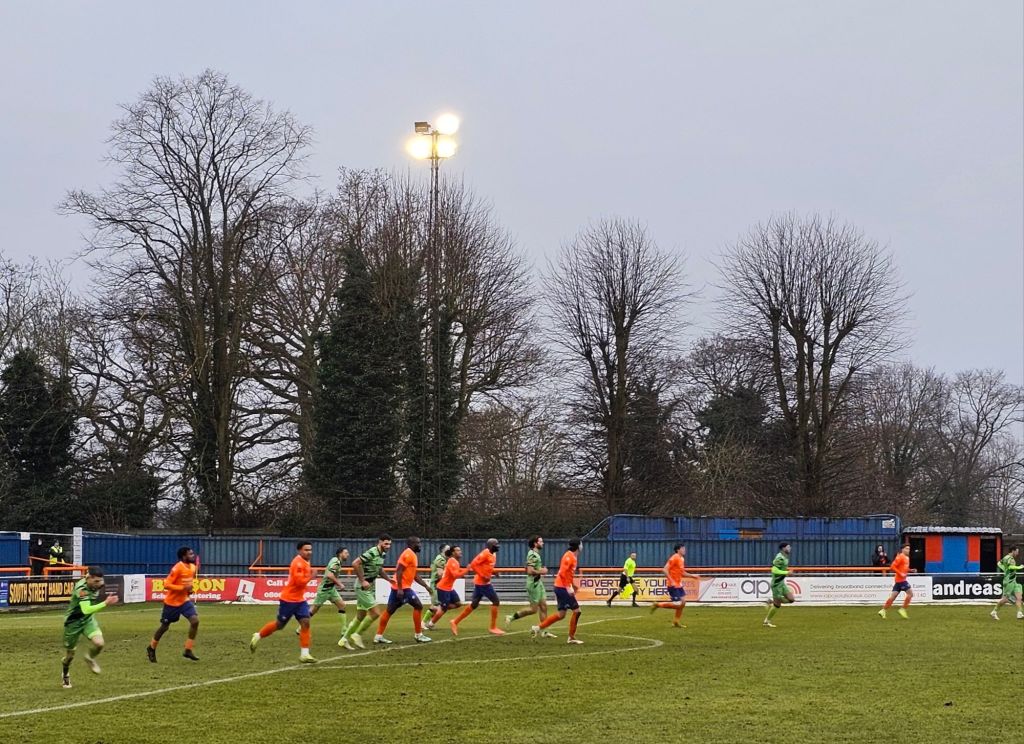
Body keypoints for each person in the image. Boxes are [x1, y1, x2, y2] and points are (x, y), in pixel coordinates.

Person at [249, 541, 316, 662]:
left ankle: (304, 654)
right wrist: (312, 576)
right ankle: (258, 635)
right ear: (299, 551)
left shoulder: (306, 561)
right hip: (288, 600)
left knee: (305, 623)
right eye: (306, 550)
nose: (309, 552)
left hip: (300, 600)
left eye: (310, 550)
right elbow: (299, 582)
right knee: (280, 625)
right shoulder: (297, 563)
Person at [61, 566, 119, 688]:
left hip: (87, 620)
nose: (99, 584)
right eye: (96, 581)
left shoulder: (96, 583)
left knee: (99, 644)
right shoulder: (81, 589)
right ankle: (65, 674)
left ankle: (89, 658)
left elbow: (87, 613)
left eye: (100, 580)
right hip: (73, 623)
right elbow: (86, 609)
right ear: (89, 578)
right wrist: (105, 603)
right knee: (69, 656)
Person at [374, 537, 432, 644]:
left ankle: (378, 636)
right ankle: (418, 635)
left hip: (399, 587)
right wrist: (400, 588)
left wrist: (426, 587)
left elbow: (415, 575)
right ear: (412, 544)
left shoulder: (413, 555)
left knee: (389, 610)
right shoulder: (408, 554)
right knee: (418, 606)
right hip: (403, 588)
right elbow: (399, 570)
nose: (420, 545)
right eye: (418, 543)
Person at [339, 534, 392, 649]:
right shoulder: (372, 552)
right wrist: (363, 581)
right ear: (380, 542)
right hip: (363, 587)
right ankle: (357, 634)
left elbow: (379, 569)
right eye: (386, 544)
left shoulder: (382, 554)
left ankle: (344, 640)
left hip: (369, 586)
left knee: (361, 615)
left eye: (389, 544)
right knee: (375, 613)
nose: (388, 546)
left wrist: (389, 580)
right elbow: (355, 563)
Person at [148, 546, 200, 662]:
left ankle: (188, 649)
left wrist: (189, 590)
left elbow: (187, 584)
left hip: (184, 601)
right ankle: (151, 648)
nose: (193, 556)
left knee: (195, 621)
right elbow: (166, 585)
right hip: (171, 603)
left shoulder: (193, 567)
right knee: (164, 627)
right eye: (190, 554)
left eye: (193, 553)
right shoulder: (177, 568)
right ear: (184, 556)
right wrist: (183, 588)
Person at [532, 538, 583, 644]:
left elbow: (567, 574)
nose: (582, 546)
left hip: (560, 586)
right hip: (562, 587)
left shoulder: (572, 556)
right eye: (581, 544)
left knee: (561, 614)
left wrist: (573, 585)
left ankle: (538, 627)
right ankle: (571, 638)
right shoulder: (569, 557)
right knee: (577, 611)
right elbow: (562, 573)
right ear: (577, 546)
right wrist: (568, 587)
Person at [450, 538, 505, 636]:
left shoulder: (493, 554)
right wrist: (483, 576)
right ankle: (493, 627)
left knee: (474, 604)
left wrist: (494, 572)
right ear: (490, 546)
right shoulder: (485, 553)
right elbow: (473, 565)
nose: (498, 547)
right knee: (496, 602)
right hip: (483, 584)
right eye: (496, 546)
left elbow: (487, 566)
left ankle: (455, 621)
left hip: (480, 583)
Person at [506, 535, 555, 635]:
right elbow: (529, 571)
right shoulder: (532, 554)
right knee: (533, 610)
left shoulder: (535, 554)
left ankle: (545, 631)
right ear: (535, 543)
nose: (542, 543)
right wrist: (542, 571)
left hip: (538, 583)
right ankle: (511, 617)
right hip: (533, 584)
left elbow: (528, 567)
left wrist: (540, 571)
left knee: (544, 607)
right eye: (540, 541)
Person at [302, 546, 350, 648]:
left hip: (331, 589)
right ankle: (301, 627)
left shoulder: (337, 561)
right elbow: (329, 574)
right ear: (340, 553)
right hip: (324, 590)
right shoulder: (335, 562)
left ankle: (344, 630)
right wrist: (339, 584)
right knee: (313, 610)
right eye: (346, 553)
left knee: (342, 605)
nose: (348, 555)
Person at [650, 544, 701, 627]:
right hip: (672, 585)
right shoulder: (674, 557)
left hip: (678, 584)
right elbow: (664, 570)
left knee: (683, 603)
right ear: (678, 550)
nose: (684, 550)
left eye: (684, 548)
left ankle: (676, 622)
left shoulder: (682, 559)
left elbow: (682, 572)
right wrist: (672, 580)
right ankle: (657, 605)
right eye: (683, 548)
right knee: (678, 604)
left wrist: (693, 576)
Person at [425, 545, 469, 629]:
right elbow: (455, 575)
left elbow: (456, 572)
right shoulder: (452, 561)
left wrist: (464, 571)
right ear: (453, 553)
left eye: (460, 550)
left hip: (449, 588)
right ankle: (431, 624)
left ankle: (438, 608)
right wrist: (467, 570)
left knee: (458, 604)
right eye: (458, 550)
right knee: (444, 609)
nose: (460, 552)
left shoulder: (455, 561)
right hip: (443, 588)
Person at [878, 544, 915, 619]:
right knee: (910, 594)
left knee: (893, 597)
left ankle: (883, 610)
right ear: (902, 549)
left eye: (909, 549)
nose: (908, 550)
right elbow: (892, 566)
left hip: (899, 581)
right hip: (901, 580)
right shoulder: (900, 557)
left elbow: (904, 568)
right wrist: (900, 573)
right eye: (906, 548)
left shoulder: (907, 558)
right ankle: (902, 609)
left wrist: (910, 570)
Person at [763, 542, 795, 628]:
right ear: (783, 548)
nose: (790, 548)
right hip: (776, 584)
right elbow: (774, 570)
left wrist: (786, 571)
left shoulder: (785, 557)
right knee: (777, 605)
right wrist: (787, 572)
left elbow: (781, 568)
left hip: (781, 583)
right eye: (788, 547)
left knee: (791, 599)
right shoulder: (779, 558)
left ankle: (771, 601)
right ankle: (766, 621)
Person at [990, 544, 1024, 620]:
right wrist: (1019, 567)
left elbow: (999, 563)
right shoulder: (1010, 559)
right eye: (1017, 551)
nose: (1017, 553)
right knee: (1005, 599)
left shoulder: (1005, 557)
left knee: (1019, 597)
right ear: (1013, 551)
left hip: (1013, 580)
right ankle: (994, 612)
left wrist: (1004, 569)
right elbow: (1010, 567)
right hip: (1009, 581)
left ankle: (1019, 613)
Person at [427, 544, 450, 621]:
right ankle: (424, 623)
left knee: (437, 605)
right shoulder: (441, 559)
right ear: (443, 550)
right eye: (448, 549)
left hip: (437, 584)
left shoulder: (441, 558)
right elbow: (440, 574)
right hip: (437, 585)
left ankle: (429, 623)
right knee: (436, 605)